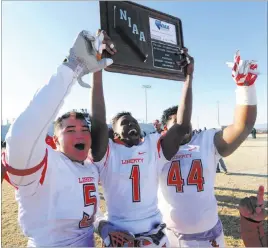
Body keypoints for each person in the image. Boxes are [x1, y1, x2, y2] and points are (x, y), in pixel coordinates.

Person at [1, 29, 116, 247]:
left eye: (84, 129)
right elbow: (20, 137)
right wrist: (73, 66)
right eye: (70, 130)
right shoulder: (45, 165)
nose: (80, 133)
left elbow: (90, 214)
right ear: (54, 140)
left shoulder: (89, 168)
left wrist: (103, 226)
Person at [91, 48, 194, 247]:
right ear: (114, 133)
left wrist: (188, 78)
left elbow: (181, 126)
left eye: (133, 121)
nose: (131, 124)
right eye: (124, 122)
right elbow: (97, 120)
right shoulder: (107, 152)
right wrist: (97, 70)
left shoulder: (153, 145)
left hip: (153, 233)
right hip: (119, 234)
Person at [158, 50, 259, 247]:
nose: (183, 126)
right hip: (169, 236)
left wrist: (245, 88)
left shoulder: (206, 140)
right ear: (164, 130)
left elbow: (243, 127)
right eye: (176, 123)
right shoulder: (157, 148)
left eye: (185, 121)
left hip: (209, 237)